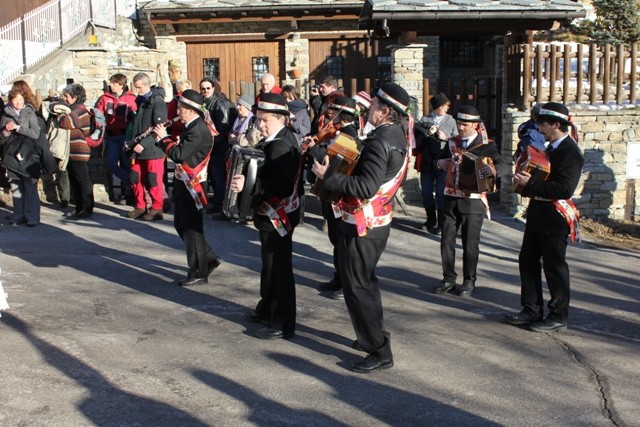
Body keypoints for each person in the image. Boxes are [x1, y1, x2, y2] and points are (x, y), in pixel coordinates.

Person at [312, 83, 412, 373]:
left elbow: (366, 187)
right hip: (374, 223)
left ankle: (379, 351)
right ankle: (375, 335)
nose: (368, 109)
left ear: (385, 111)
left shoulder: (381, 140)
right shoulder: (394, 135)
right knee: (366, 284)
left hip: (363, 225)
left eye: (373, 105)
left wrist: (328, 176)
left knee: (357, 287)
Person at [505, 102, 584, 333]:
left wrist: (532, 183)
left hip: (555, 218)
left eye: (543, 123)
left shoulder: (570, 152)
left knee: (554, 267)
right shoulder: (549, 148)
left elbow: (564, 189)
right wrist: (523, 183)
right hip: (538, 214)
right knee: (527, 262)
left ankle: (558, 315)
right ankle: (531, 308)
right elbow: (538, 179)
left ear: (557, 125)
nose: (539, 127)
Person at [230, 93, 302, 340]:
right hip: (271, 216)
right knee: (270, 267)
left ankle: (284, 322)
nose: (260, 125)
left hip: (278, 217)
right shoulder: (276, 138)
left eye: (265, 120)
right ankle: (267, 309)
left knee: (279, 270)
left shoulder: (281, 144)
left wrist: (249, 184)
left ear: (281, 118)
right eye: (258, 119)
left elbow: (280, 186)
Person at [433, 105, 508, 297]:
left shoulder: (487, 145)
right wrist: (439, 163)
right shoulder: (451, 143)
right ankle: (448, 278)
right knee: (446, 241)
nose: (460, 127)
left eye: (465, 124)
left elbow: (503, 166)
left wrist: (493, 171)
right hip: (450, 198)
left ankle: (469, 281)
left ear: (476, 125)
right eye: (458, 123)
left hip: (473, 202)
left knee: (470, 244)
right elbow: (439, 161)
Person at [155, 89, 222, 286]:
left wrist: (162, 138)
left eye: (180, 108)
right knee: (181, 225)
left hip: (193, 184)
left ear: (191, 110)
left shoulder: (197, 130)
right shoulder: (191, 126)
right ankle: (208, 258)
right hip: (183, 181)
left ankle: (199, 272)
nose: (177, 112)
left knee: (192, 229)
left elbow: (178, 155)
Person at [307, 96, 360, 300]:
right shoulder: (335, 133)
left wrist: (314, 148)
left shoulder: (349, 135)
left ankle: (345, 283)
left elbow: (333, 161)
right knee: (335, 239)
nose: (329, 118)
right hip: (329, 192)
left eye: (331, 113)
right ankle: (338, 277)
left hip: (339, 194)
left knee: (341, 240)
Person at [415, 93, 458, 234]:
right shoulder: (425, 119)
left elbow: (457, 139)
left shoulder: (451, 121)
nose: (446, 109)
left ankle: (441, 222)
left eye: (447, 106)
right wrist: (427, 133)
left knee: (440, 193)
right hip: (428, 161)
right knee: (426, 191)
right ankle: (430, 219)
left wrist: (446, 137)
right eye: (444, 106)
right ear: (437, 107)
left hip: (444, 160)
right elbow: (418, 142)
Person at [128, 72, 167, 221]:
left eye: (139, 87)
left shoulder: (157, 102)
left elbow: (159, 128)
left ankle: (157, 208)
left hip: (153, 149)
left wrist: (143, 144)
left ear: (146, 84)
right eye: (135, 87)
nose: (137, 90)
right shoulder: (141, 101)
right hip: (136, 148)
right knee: (135, 177)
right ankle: (140, 206)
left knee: (153, 179)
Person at [0, 89, 43, 226]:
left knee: (30, 186)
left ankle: (32, 216)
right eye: (15, 100)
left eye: (21, 100)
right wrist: (6, 131)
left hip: (29, 155)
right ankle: (18, 214)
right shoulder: (6, 116)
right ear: (10, 101)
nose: (18, 103)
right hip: (11, 154)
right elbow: (1, 139)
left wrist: (18, 128)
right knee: (16, 185)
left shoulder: (30, 113)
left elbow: (35, 133)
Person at [94, 73, 138, 205]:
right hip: (112, 136)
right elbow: (99, 115)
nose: (110, 85)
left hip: (125, 136)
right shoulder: (104, 98)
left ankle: (129, 195)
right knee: (112, 164)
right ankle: (131, 182)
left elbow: (135, 117)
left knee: (126, 165)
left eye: (113, 83)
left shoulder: (131, 98)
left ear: (120, 84)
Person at [199, 78, 237, 219]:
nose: (205, 91)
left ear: (213, 88)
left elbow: (223, 127)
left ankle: (220, 204)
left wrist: (212, 142)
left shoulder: (219, 103)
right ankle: (215, 200)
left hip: (219, 146)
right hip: (209, 145)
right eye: (203, 88)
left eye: (208, 88)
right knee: (212, 176)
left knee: (218, 175)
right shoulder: (204, 103)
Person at [58, 83, 94, 219]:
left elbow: (65, 123)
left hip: (79, 150)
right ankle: (79, 208)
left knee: (82, 180)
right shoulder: (72, 108)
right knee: (74, 180)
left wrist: (59, 116)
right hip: (71, 151)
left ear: (75, 97)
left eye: (66, 96)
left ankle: (87, 208)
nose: (64, 99)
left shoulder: (79, 109)